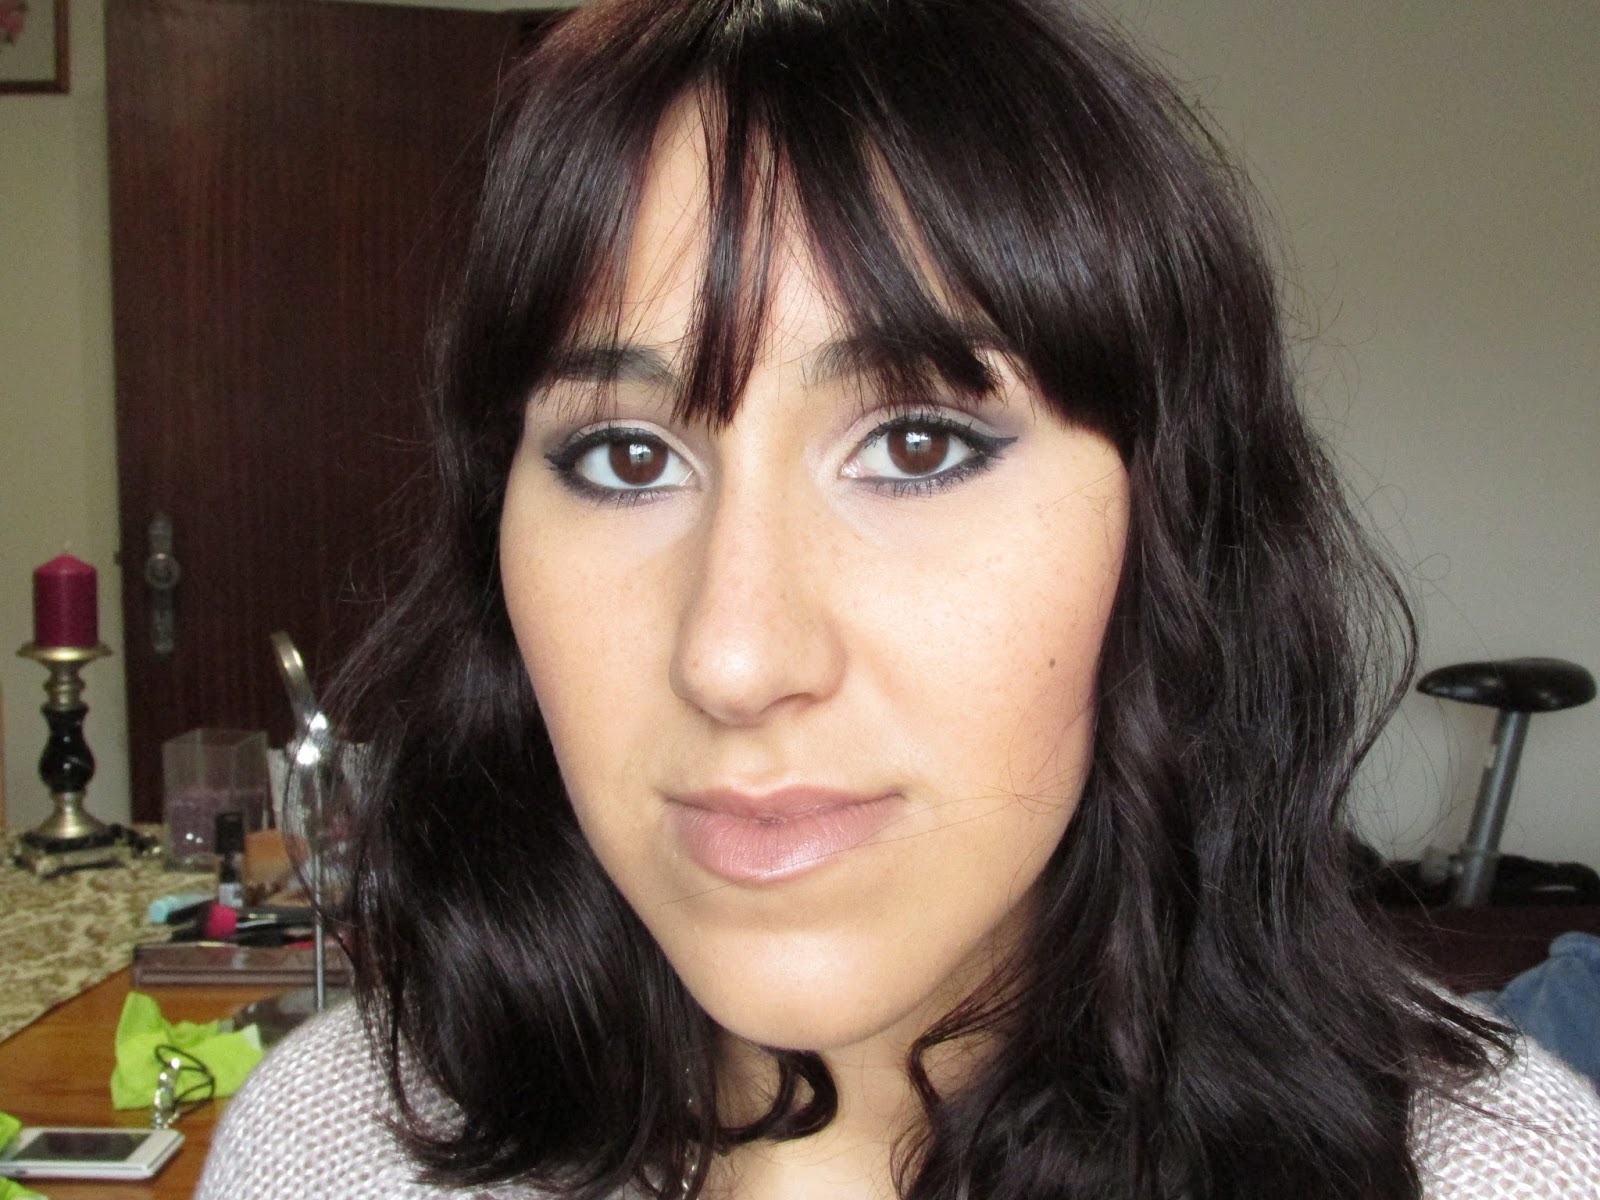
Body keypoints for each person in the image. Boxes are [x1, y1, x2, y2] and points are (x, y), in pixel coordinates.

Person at [198, 0, 1600, 1197]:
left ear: (1170, 531)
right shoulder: (329, 1146)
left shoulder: (1500, 1175)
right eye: (625, 457)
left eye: (919, 445)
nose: (735, 657)